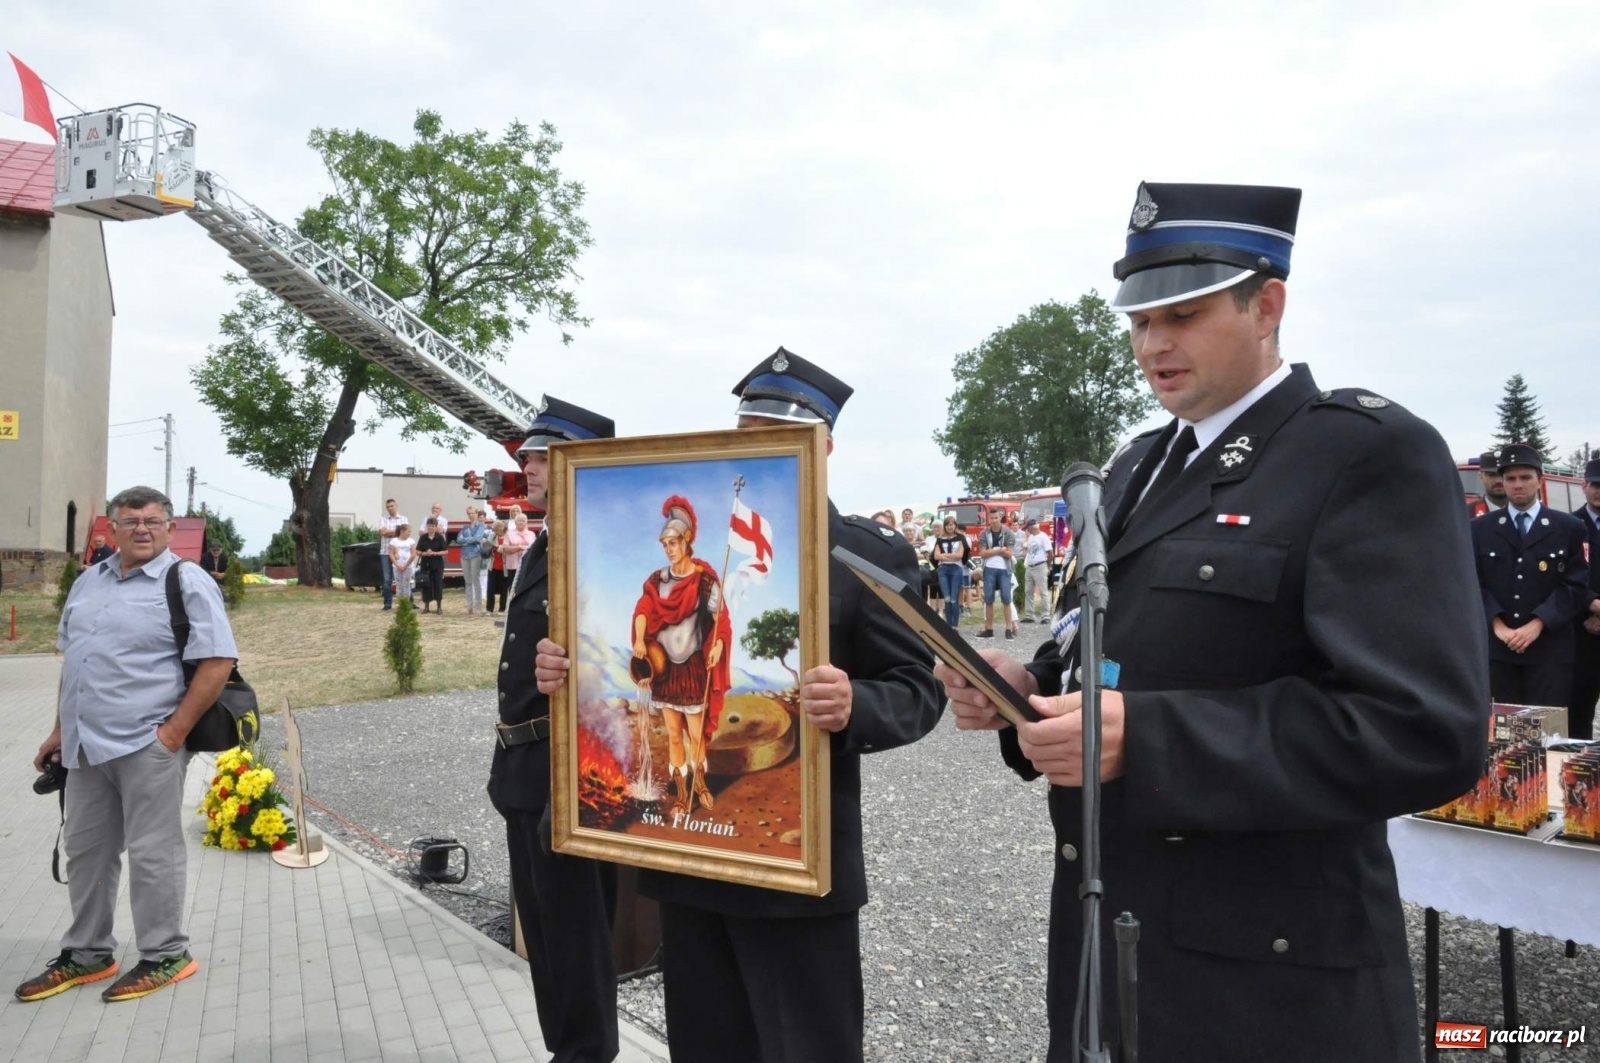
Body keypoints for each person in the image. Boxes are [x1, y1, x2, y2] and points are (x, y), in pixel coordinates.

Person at [937, 182, 1486, 1063]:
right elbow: (1107, 642)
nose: (1152, 344)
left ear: (1267, 304)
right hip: (1108, 947)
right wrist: (1028, 689)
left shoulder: (1358, 453)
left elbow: (1424, 729)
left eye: (1182, 316)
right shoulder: (1136, 466)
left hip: (1268, 988)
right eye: (1139, 321)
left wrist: (1148, 741)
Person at [538, 348, 943, 1063]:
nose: (759, 442)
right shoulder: (691, 554)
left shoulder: (860, 556)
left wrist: (856, 702)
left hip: (798, 879)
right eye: (747, 428)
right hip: (690, 869)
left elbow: (921, 687)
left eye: (778, 430)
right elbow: (619, 647)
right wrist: (562, 674)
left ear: (826, 443)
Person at [18, 486, 238, 1005]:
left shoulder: (186, 581)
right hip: (86, 747)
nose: (142, 528)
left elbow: (217, 662)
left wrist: (173, 734)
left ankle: (166, 954)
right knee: (87, 852)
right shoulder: (88, 582)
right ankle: (90, 953)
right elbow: (76, 662)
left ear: (169, 529)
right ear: (112, 527)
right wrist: (59, 729)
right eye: (131, 520)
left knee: (153, 853)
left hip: (147, 744)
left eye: (154, 520)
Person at [487, 396, 620, 1063]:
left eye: (541, 456)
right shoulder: (548, 541)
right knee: (547, 935)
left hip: (574, 767)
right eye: (529, 455)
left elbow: (636, 663)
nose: (527, 466)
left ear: (581, 463)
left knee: (575, 936)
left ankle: (586, 1053)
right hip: (526, 768)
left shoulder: (602, 545)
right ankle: (569, 1050)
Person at [631, 496, 731, 813]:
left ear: (686, 541)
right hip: (664, 671)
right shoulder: (657, 580)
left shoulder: (704, 581)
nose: (669, 549)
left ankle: (700, 784)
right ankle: (681, 796)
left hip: (692, 667)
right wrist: (638, 638)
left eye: (673, 542)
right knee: (674, 735)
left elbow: (721, 622)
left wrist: (717, 645)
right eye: (665, 544)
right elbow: (643, 610)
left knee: (696, 734)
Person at [1471, 443, 1590, 707]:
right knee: (1501, 737)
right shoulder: (1479, 529)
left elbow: (1575, 585)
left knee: (1548, 735)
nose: (1517, 485)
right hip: (1498, 650)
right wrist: (1498, 626)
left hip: (1549, 651)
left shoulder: (1569, 528)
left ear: (1540, 480)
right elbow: (1472, 584)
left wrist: (1536, 625)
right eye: (1510, 478)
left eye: (1525, 477)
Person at [1571, 456, 1600, 739]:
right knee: (1580, 709)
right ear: (1584, 486)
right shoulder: (1569, 525)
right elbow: (1565, 576)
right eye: (1595, 484)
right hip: (1584, 632)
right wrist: (1591, 606)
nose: (1599, 490)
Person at [976, 507, 1016, 639]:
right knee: (988, 599)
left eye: (996, 518)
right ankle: (989, 628)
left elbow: (1009, 553)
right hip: (989, 569)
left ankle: (1009, 628)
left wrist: (991, 550)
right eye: (991, 518)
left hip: (1005, 569)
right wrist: (1000, 550)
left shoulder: (1008, 533)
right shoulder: (983, 533)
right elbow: (982, 553)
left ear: (1000, 518)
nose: (993, 521)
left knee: (1006, 598)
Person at [932, 514, 970, 627]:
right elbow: (936, 556)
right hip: (943, 570)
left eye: (951, 525)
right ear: (945, 526)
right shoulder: (940, 539)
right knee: (947, 599)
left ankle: (955, 625)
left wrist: (945, 555)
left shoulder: (960, 538)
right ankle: (948, 625)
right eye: (947, 525)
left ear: (955, 525)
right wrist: (950, 556)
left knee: (954, 599)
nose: (949, 527)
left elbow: (959, 555)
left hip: (956, 569)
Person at [457, 506, 493, 615]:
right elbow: (458, 540)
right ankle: (469, 606)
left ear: (477, 514)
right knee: (467, 581)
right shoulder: (465, 527)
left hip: (475, 554)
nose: (470, 515)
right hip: (464, 555)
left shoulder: (480, 526)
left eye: (472, 513)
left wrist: (466, 540)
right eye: (469, 513)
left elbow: (478, 538)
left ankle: (478, 605)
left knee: (475, 579)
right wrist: (469, 541)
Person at [377, 499, 409, 610]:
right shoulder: (383, 519)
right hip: (385, 552)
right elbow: (382, 533)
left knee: (404, 577)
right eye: (388, 507)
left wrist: (389, 532)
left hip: (400, 552)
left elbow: (405, 534)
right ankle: (387, 603)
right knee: (387, 579)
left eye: (392, 506)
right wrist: (397, 532)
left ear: (396, 506)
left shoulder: (403, 519)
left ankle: (408, 601)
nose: (390, 508)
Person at [1021, 517, 1052, 622]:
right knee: (1028, 591)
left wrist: (1048, 565)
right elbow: (1029, 551)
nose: (1027, 530)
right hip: (1030, 566)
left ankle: (1046, 615)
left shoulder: (1043, 537)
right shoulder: (1030, 538)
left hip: (1040, 565)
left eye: (1027, 528)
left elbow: (1050, 552)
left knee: (1043, 591)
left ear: (1031, 527)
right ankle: (1029, 615)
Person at [416, 518, 449, 613]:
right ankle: (426, 606)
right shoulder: (423, 537)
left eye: (432, 526)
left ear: (436, 527)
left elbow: (446, 551)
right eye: (429, 526)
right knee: (426, 585)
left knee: (438, 585)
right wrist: (424, 553)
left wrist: (435, 553)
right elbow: (417, 551)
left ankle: (439, 607)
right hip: (425, 565)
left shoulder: (439, 537)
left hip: (437, 565)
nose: (430, 528)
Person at [501, 510, 535, 590]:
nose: (521, 522)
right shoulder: (509, 533)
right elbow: (506, 549)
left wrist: (517, 547)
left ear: (526, 522)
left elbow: (533, 548)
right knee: (513, 587)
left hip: (527, 564)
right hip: (513, 565)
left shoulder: (531, 534)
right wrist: (519, 547)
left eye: (523, 521)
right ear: (515, 523)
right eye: (519, 521)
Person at [485, 519, 510, 614]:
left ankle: (502, 609)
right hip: (492, 565)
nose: (496, 532)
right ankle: (489, 609)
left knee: (504, 589)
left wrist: (501, 548)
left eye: (498, 530)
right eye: (495, 530)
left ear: (502, 529)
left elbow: (508, 550)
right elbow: (487, 547)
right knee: (490, 589)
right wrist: (492, 547)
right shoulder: (492, 536)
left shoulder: (508, 536)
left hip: (504, 567)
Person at [387, 523, 417, 605]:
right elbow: (391, 554)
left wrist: (406, 565)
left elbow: (413, 554)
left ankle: (406, 604)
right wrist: (397, 564)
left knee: (406, 585)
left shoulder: (411, 541)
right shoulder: (394, 541)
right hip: (397, 567)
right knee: (399, 585)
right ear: (402, 531)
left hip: (408, 566)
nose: (410, 533)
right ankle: (400, 604)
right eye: (408, 531)